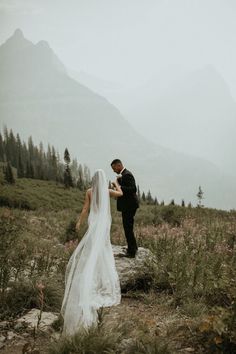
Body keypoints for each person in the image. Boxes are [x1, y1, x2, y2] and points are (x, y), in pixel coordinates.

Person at [60, 169, 123, 336]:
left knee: (93, 246)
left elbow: (85, 208)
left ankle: (92, 266)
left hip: (94, 221)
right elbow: (120, 194)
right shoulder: (106, 191)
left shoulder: (89, 191)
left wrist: (79, 222)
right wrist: (116, 184)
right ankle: (100, 268)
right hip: (103, 223)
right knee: (102, 246)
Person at [111, 159, 139, 258]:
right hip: (128, 206)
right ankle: (133, 247)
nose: (114, 171)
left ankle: (131, 252)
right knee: (128, 228)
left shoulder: (127, 174)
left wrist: (118, 186)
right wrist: (120, 182)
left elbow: (133, 189)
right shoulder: (124, 175)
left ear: (119, 165)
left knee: (128, 228)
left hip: (129, 206)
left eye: (114, 168)